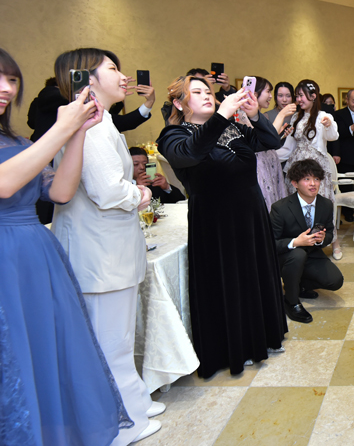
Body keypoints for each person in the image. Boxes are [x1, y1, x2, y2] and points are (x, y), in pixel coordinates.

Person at [0, 49, 135, 446]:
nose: (7, 88)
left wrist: (77, 133)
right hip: (6, 255)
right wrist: (63, 128)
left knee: (45, 352)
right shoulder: (30, 143)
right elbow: (4, 184)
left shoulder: (17, 141)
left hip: (35, 255)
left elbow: (60, 190)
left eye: (12, 80)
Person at [51, 48, 162, 444]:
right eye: (113, 69)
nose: (124, 77)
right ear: (87, 78)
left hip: (109, 250)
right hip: (99, 255)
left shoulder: (103, 122)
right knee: (108, 343)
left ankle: (134, 401)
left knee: (118, 340)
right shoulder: (92, 127)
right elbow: (107, 190)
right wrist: (141, 194)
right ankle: (117, 423)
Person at [157, 75, 285, 378]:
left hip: (251, 216)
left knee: (254, 276)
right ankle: (232, 349)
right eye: (197, 92)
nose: (206, 95)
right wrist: (222, 114)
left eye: (208, 91)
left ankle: (262, 338)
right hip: (215, 222)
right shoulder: (173, 135)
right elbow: (191, 153)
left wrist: (255, 116)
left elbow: (272, 142)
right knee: (226, 283)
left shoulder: (233, 128)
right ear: (179, 103)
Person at [270, 159, 343, 324]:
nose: (313, 184)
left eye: (316, 179)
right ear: (295, 183)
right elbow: (270, 243)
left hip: (312, 254)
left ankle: (300, 285)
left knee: (335, 281)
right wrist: (296, 242)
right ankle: (291, 301)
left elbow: (330, 233)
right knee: (297, 255)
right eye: (307, 179)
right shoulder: (280, 208)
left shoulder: (325, 204)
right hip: (287, 256)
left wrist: (322, 239)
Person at [277, 80, 343, 258]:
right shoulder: (295, 118)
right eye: (297, 96)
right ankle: (303, 241)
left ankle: (334, 243)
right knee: (299, 205)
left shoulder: (323, 115)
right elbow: (289, 147)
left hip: (316, 166)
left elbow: (333, 136)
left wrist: (328, 124)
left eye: (301, 95)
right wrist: (270, 155)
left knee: (323, 202)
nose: (298, 99)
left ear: (313, 96)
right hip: (298, 166)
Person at [250, 76, 294, 210]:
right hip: (260, 165)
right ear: (255, 94)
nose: (270, 96)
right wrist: (282, 114)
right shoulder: (248, 116)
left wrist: (279, 135)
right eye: (268, 91)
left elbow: (267, 141)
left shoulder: (258, 115)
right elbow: (257, 144)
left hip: (270, 163)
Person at [160, 67, 234, 124]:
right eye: (197, 92)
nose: (206, 97)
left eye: (208, 92)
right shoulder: (176, 133)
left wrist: (227, 88)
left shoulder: (216, 100)